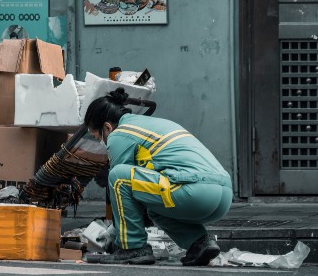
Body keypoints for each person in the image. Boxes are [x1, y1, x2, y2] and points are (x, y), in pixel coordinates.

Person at [85, 88, 233, 266]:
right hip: (222, 196)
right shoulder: (150, 124)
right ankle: (199, 243)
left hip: (194, 192)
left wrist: (114, 236)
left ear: (107, 127)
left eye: (97, 136)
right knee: (154, 209)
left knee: (117, 176)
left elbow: (121, 191)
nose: (102, 143)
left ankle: (134, 248)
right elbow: (140, 194)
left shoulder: (119, 134)